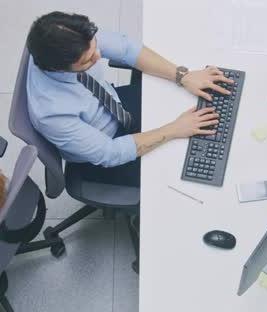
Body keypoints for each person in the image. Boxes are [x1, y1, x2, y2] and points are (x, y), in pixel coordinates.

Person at [25, 11, 234, 188]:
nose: (98, 55)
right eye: (87, 60)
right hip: (105, 149)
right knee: (187, 170)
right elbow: (110, 153)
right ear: (58, 67)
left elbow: (126, 49)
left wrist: (183, 76)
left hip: (113, 107)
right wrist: (174, 129)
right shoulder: (51, 112)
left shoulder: (73, 39)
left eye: (95, 46)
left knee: (194, 107)